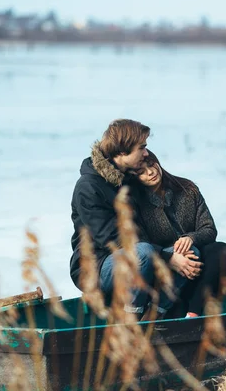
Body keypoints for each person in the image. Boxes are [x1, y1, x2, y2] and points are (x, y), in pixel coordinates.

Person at [69, 119, 188, 317]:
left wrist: (183, 243)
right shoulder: (88, 188)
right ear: (122, 152)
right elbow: (112, 239)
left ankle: (155, 316)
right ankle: (129, 323)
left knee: (189, 252)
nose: (146, 153)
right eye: (141, 148)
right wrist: (167, 258)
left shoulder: (130, 178)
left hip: (143, 254)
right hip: (97, 266)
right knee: (142, 253)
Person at [133, 150, 226, 317]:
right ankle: (193, 312)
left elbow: (209, 229)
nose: (150, 172)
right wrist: (173, 256)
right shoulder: (137, 204)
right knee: (216, 252)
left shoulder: (187, 189)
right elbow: (142, 246)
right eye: (141, 172)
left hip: (202, 267)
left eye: (151, 165)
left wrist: (190, 238)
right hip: (170, 274)